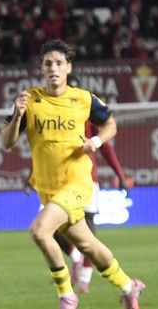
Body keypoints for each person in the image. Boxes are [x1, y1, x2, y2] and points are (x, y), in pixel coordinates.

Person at [0, 39, 146, 309]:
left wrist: (95, 140)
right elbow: (7, 142)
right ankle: (129, 286)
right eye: (47, 63)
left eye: (58, 63)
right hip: (49, 188)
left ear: (69, 67)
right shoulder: (30, 100)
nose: (53, 68)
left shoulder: (83, 99)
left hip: (78, 184)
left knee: (40, 231)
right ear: (42, 68)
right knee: (89, 245)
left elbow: (110, 125)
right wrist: (17, 116)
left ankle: (66, 294)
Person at [53, 107, 133, 293]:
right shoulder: (54, 117)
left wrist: (120, 176)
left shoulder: (86, 117)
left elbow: (105, 147)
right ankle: (76, 257)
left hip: (86, 180)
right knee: (48, 227)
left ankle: (85, 277)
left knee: (88, 228)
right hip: (60, 182)